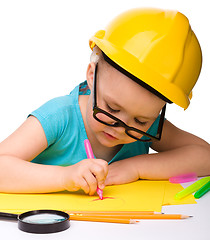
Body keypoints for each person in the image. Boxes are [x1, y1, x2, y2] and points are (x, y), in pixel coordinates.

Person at [0, 8, 209, 196]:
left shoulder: (145, 131)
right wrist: (66, 177)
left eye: (141, 120)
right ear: (92, 75)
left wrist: (135, 167)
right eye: (112, 108)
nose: (122, 128)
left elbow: (205, 156)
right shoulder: (60, 117)